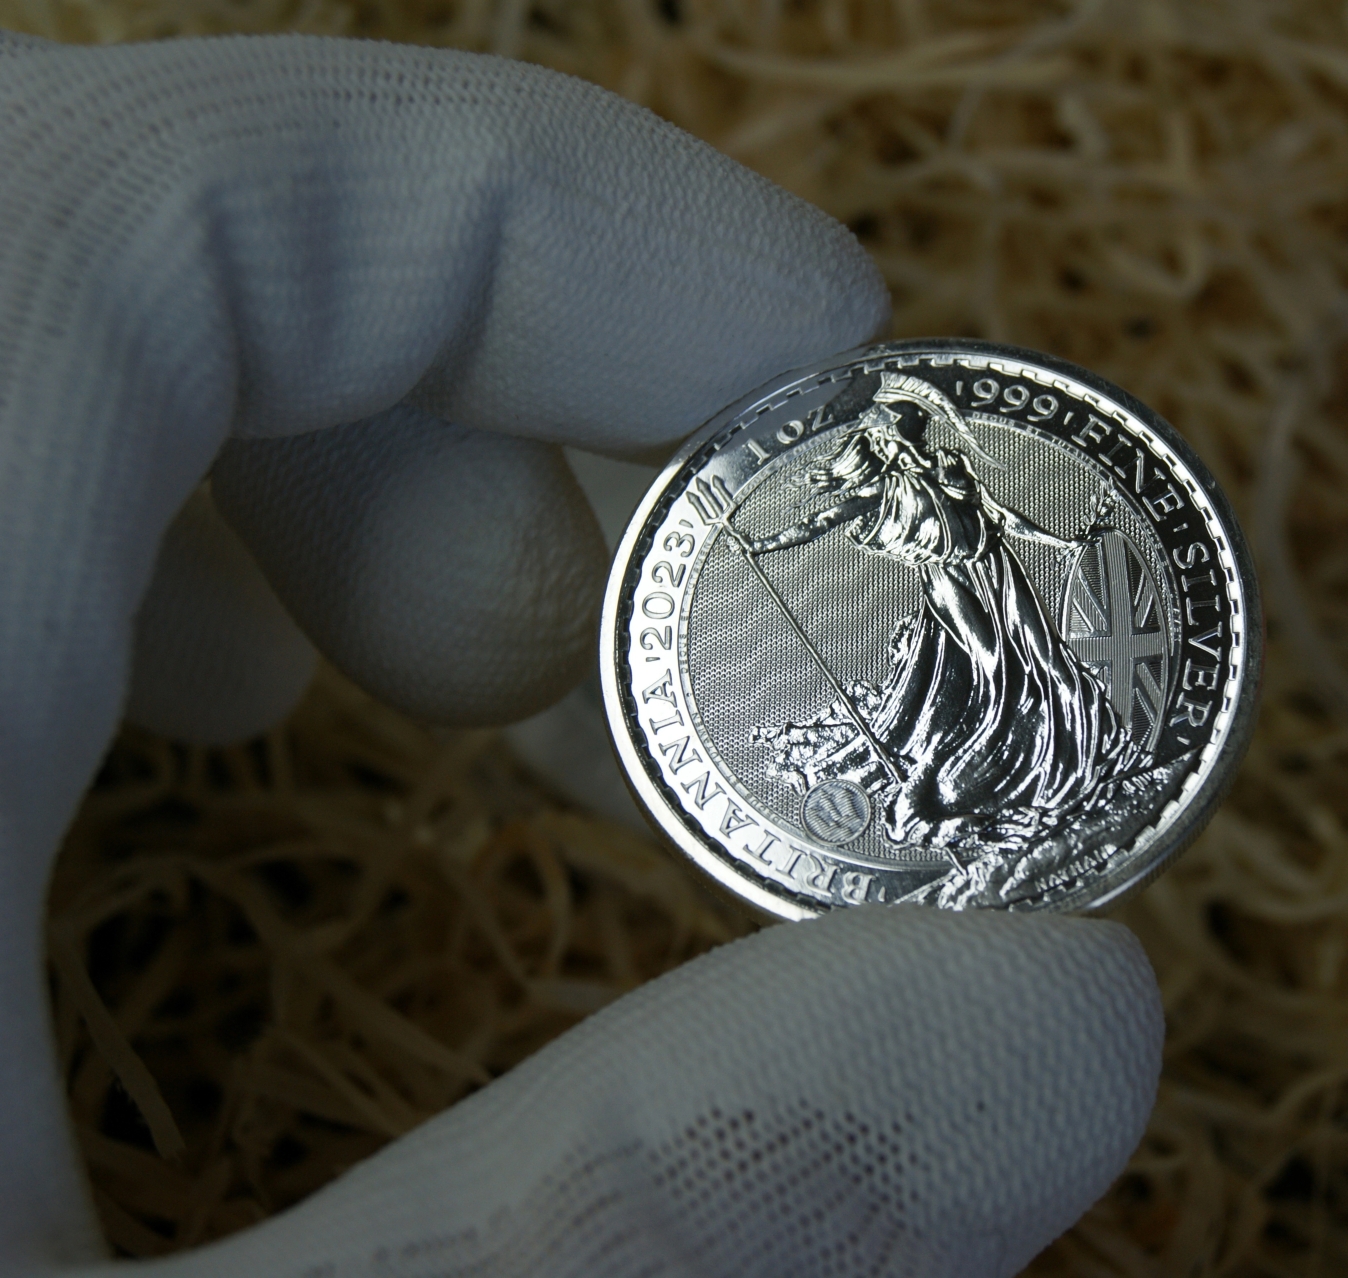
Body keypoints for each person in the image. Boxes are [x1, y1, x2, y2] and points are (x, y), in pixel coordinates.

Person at [0, 30, 1162, 1277]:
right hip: (927, 623)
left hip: (977, 622)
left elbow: (982, 539)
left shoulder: (954, 501)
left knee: (984, 685)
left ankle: (976, 763)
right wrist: (780, 536)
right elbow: (836, 516)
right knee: (932, 700)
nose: (876, 476)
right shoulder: (894, 496)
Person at [749, 374, 1138, 857]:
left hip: (997, 568)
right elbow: (823, 520)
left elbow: (999, 515)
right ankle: (994, 772)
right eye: (900, 419)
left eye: (913, 420)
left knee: (1046, 661)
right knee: (993, 663)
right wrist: (764, 543)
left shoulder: (951, 465)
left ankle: (1070, 751)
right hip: (948, 578)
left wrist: (1062, 543)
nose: (907, 427)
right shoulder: (883, 486)